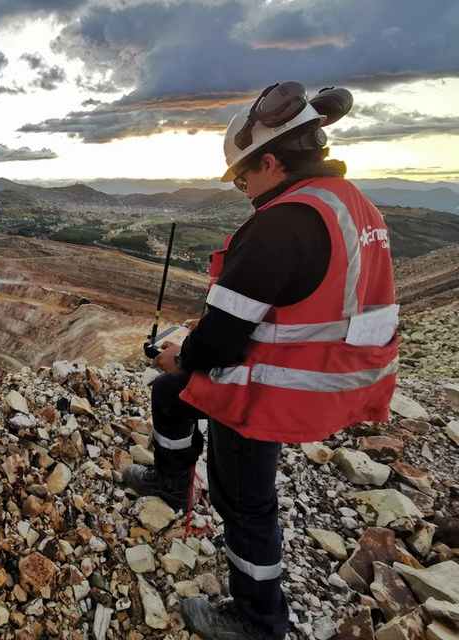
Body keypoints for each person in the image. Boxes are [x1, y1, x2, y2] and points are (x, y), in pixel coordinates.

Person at [123, 82, 399, 640]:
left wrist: (182, 355)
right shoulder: (351, 205)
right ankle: (173, 483)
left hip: (272, 390)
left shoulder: (282, 222)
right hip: (332, 376)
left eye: (243, 175)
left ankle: (259, 620)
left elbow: (221, 340)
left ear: (271, 161)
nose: (242, 187)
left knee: (245, 503)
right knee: (168, 397)